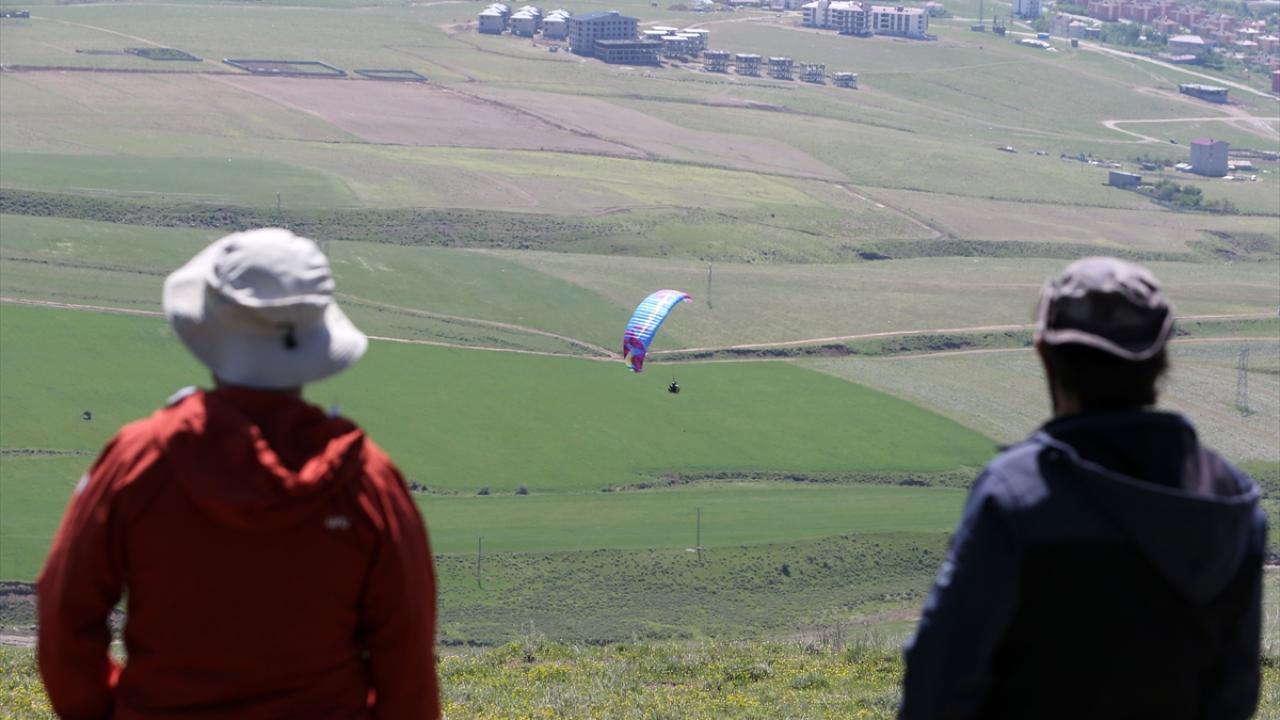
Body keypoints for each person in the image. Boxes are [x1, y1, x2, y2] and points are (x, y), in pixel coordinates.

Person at [38, 228, 440, 720]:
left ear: (210, 329)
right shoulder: (367, 481)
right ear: (316, 338)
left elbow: (64, 615)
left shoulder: (140, 461)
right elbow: (408, 659)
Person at [899, 257, 1265, 720]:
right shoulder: (1230, 500)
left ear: (1044, 354)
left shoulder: (1017, 496)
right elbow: (1234, 694)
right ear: (1161, 359)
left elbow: (939, 683)